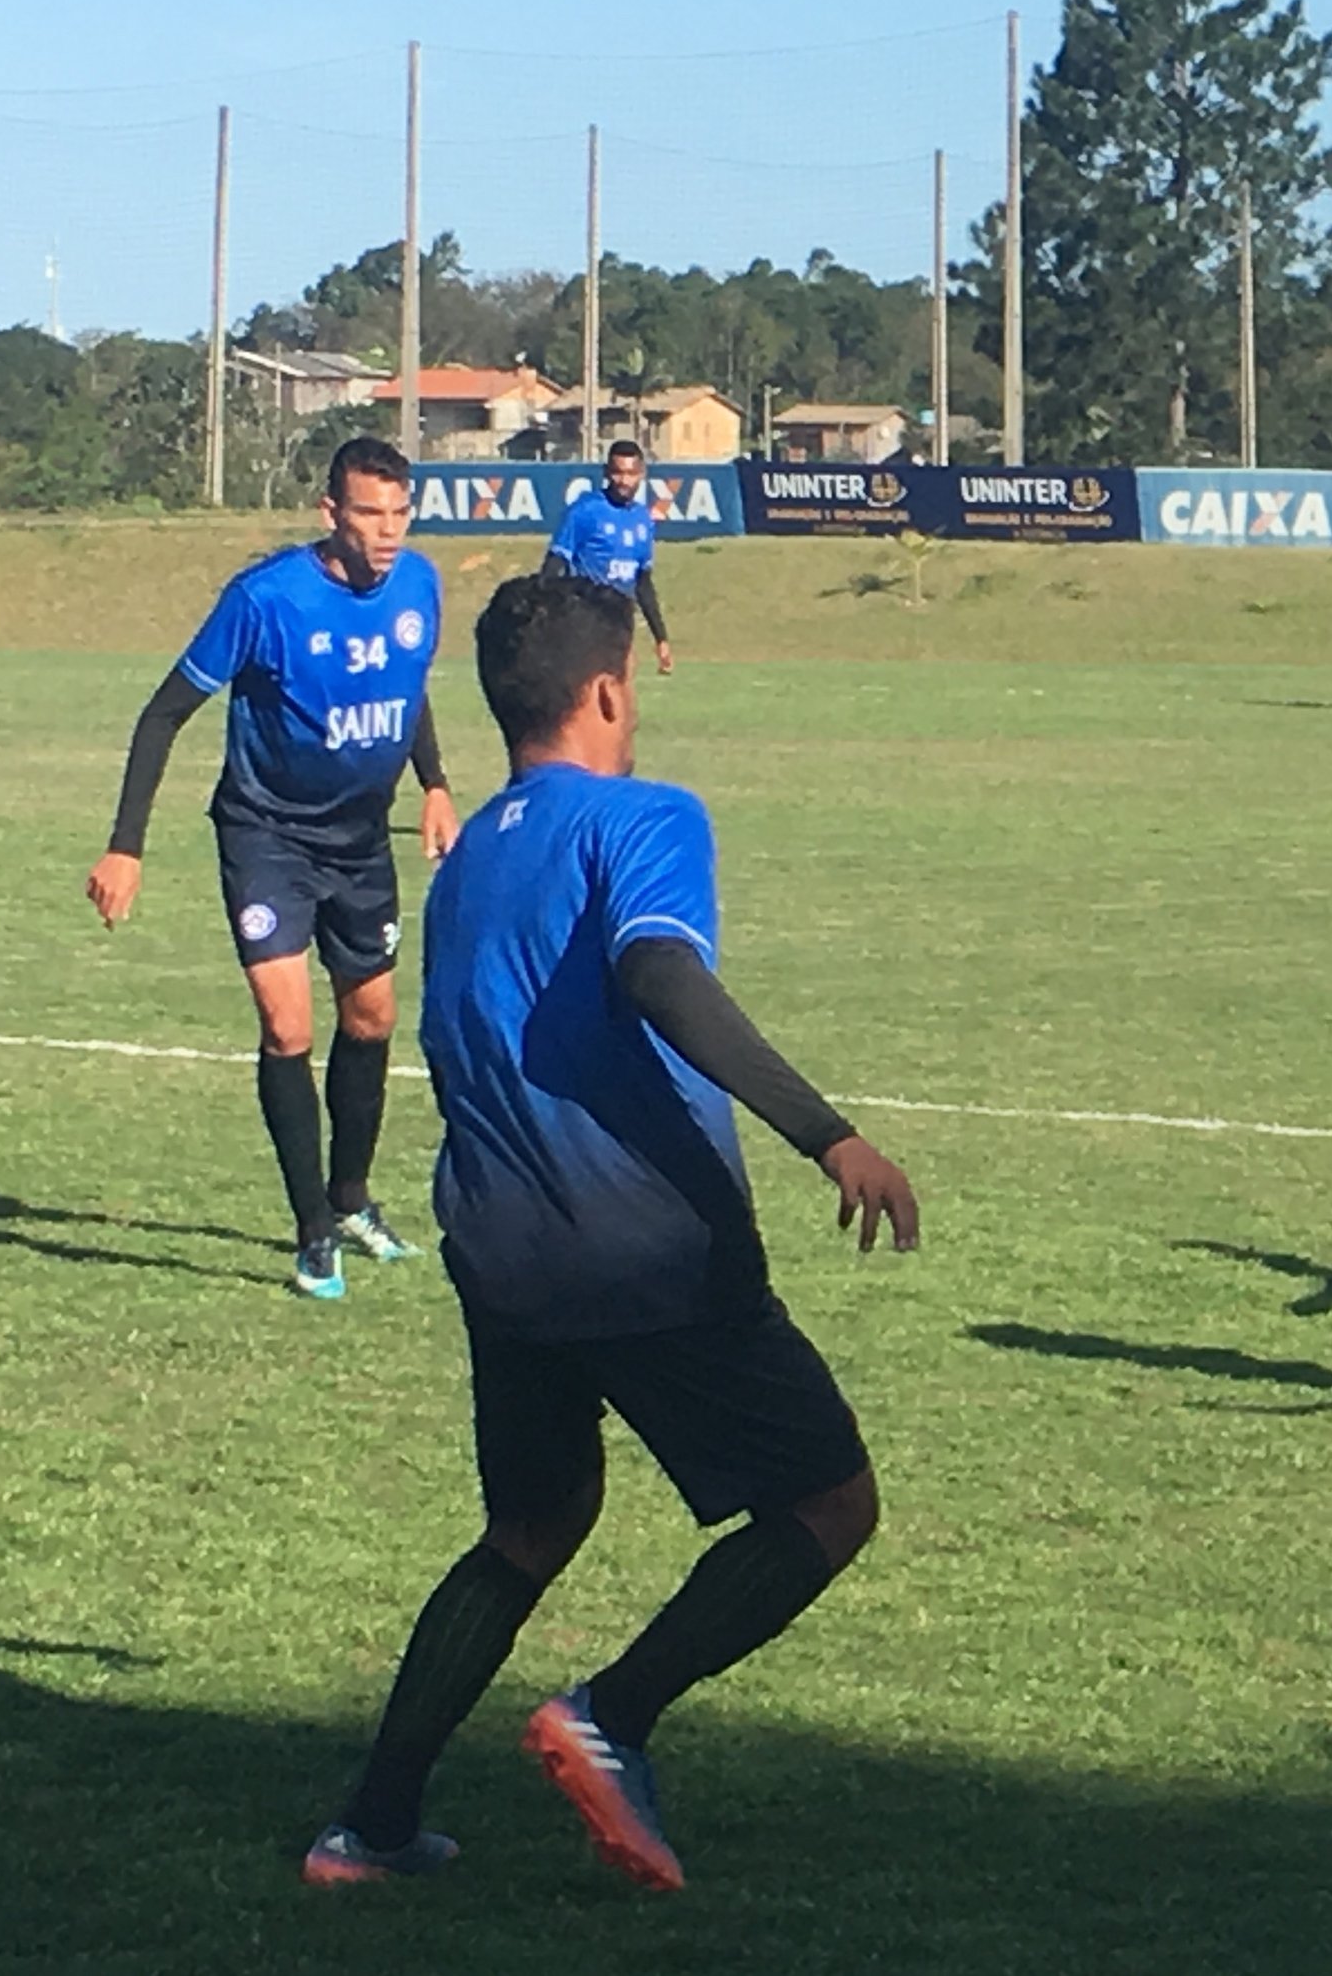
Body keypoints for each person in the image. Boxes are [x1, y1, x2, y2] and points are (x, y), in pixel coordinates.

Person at [301, 572, 920, 1893]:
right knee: (828, 1501)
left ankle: (370, 1827)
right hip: (643, 1246)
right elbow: (656, 967)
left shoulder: (467, 861)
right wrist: (830, 1134)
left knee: (532, 1526)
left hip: (500, 1251)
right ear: (606, 692)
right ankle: (610, 1716)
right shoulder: (645, 816)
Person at [85, 435, 458, 1299]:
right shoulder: (265, 598)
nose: (389, 532)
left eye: (401, 513)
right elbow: (162, 714)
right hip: (268, 835)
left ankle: (354, 1198)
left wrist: (435, 783)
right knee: (288, 1027)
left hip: (362, 838)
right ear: (331, 514)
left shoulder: (421, 586)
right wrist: (125, 845)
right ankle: (313, 1232)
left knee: (369, 1019)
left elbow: (409, 686)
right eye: (371, 513)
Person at [545, 440, 676, 675]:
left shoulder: (642, 519)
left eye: (631, 473)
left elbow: (643, 583)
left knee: (617, 699)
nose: (624, 481)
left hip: (621, 625)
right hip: (584, 622)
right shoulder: (584, 510)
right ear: (606, 472)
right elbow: (554, 566)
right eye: (617, 473)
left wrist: (661, 638)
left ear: (642, 474)